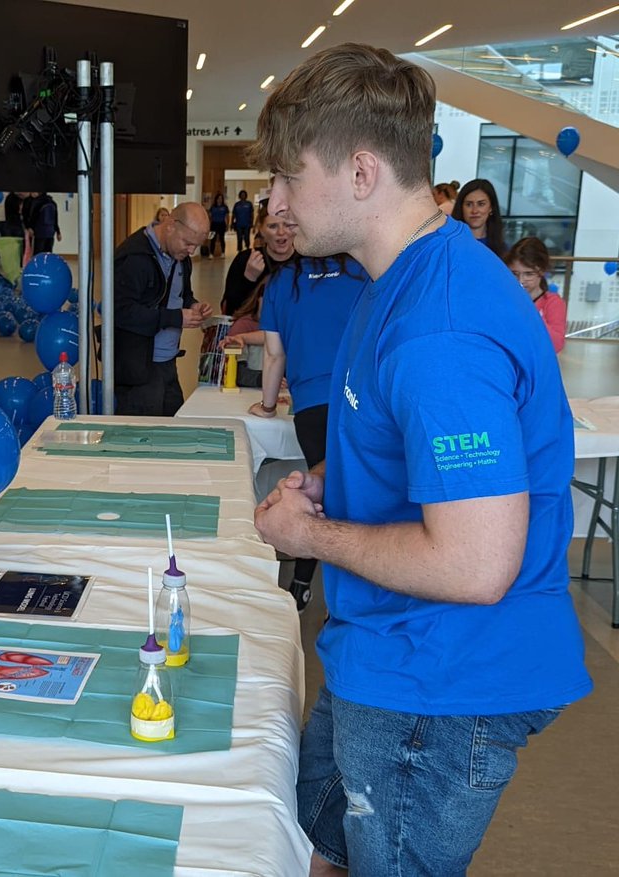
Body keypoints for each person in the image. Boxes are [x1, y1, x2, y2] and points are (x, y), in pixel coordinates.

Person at [248, 43, 591, 876]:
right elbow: (418, 458)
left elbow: (477, 563)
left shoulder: (439, 328)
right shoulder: (394, 282)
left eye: (292, 177)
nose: (275, 199)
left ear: (361, 173)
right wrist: (343, 484)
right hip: (383, 653)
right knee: (312, 849)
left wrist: (309, 536)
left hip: (438, 680)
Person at [250, 254, 367, 610]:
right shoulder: (363, 271)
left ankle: (303, 584)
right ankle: (350, 601)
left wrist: (268, 406)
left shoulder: (283, 280)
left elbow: (274, 355)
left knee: (323, 496)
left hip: (313, 406)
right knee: (359, 498)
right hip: (363, 399)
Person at [113, 202, 214, 416]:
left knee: (173, 429)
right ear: (170, 225)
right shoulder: (134, 257)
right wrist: (175, 318)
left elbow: (181, 294)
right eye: (187, 243)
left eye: (196, 246)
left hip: (168, 362)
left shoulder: (180, 256)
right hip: (139, 367)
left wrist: (193, 305)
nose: (191, 251)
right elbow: (121, 312)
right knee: (144, 438)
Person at [221, 207, 297, 317]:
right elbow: (230, 310)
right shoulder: (245, 259)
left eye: (287, 225)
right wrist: (249, 279)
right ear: (261, 230)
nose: (281, 232)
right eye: (273, 226)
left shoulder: (308, 262)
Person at [507, 237, 566, 353]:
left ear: (542, 271)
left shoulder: (553, 303)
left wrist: (530, 312)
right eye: (514, 274)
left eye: (529, 274)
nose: (521, 281)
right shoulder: (506, 300)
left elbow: (557, 345)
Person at [452, 178, 507, 258]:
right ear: (461, 208)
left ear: (491, 207)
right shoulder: (449, 246)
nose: (475, 211)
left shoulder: (503, 250)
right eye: (469, 204)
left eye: (481, 204)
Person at [208, 193, 230, 259]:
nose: (219, 200)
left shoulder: (225, 207)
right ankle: (211, 253)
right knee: (212, 239)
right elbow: (210, 216)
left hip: (221, 224)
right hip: (214, 224)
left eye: (221, 198)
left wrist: (227, 225)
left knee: (222, 239)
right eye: (218, 198)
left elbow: (227, 216)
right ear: (216, 199)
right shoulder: (213, 207)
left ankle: (223, 253)